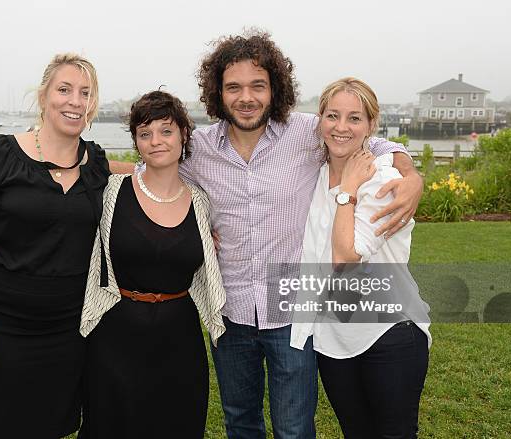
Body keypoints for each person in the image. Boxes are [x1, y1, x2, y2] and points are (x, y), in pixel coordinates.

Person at [181, 30, 424, 439]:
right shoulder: (198, 149)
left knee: (294, 428)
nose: (246, 97)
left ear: (274, 88)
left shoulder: (304, 132)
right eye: (234, 87)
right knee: (240, 421)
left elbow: (362, 135)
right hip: (229, 311)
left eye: (258, 85)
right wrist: (86, 166)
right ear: (216, 92)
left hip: (293, 312)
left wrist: (410, 172)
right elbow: (152, 170)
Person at [0, 53, 110, 439]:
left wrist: (185, 194)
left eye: (85, 93)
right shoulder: (0, 153)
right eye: (65, 89)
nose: (75, 101)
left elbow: (138, 179)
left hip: (70, 328)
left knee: (53, 424)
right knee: (1, 426)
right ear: (43, 96)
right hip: (5, 325)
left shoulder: (96, 162)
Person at [78, 90, 226, 439]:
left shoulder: (201, 203)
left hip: (179, 343)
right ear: (136, 141)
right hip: (115, 339)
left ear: (183, 135)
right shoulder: (112, 191)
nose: (156, 141)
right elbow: (58, 203)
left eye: (166, 131)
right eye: (145, 134)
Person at [290, 77, 431, 438]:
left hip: (389, 334)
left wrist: (348, 191)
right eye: (332, 115)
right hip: (334, 339)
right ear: (319, 119)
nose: (341, 127)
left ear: (371, 124)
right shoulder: (315, 175)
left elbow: (345, 258)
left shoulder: (385, 180)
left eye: (354, 118)